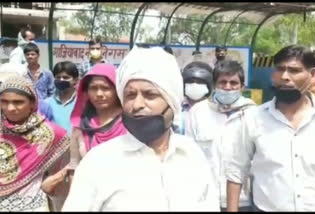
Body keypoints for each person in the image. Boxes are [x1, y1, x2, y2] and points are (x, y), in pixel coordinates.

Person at [62, 46, 220, 211]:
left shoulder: (192, 155)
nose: (137, 105)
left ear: (171, 102)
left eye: (150, 95)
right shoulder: (99, 161)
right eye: (130, 95)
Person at [226, 45, 315, 211]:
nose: (285, 76)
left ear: (312, 75)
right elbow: (236, 172)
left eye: (294, 70)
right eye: (279, 69)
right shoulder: (253, 118)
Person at [186, 60, 256, 211]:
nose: (228, 87)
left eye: (233, 83)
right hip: (207, 198)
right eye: (222, 82)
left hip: (244, 200)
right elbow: (189, 154)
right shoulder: (198, 112)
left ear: (242, 87)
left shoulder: (253, 113)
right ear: (214, 85)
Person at [0, 76, 70, 211]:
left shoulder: (52, 134)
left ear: (33, 103)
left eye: (18, 102)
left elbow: (64, 170)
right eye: (4, 101)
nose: (10, 108)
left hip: (32, 205)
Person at [67, 63, 127, 178]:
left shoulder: (130, 123)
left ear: (117, 89)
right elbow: (74, 167)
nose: (99, 94)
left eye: (106, 88)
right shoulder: (81, 125)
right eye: (93, 88)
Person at [172, 61, 213, 135]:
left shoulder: (215, 111)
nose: (195, 85)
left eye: (200, 82)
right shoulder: (174, 108)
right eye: (190, 81)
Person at [45, 61, 79, 133]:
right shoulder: (46, 104)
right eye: (58, 77)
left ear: (75, 80)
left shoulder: (82, 102)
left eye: (65, 77)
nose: (61, 80)